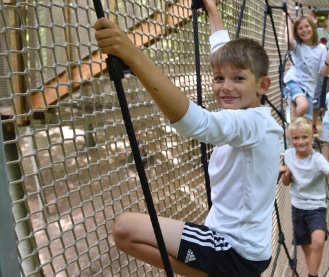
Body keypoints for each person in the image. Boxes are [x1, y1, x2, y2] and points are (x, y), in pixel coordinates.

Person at [94, 0, 283, 276]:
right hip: (244, 245)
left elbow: (198, 123)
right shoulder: (254, 113)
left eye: (238, 79)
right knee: (126, 232)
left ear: (262, 85)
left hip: (234, 250)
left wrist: (134, 56)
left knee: (124, 229)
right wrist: (213, 12)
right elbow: (223, 53)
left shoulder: (251, 123)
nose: (225, 87)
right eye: (218, 78)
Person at [279, 117, 329, 277]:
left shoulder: (317, 158)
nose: (300, 141)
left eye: (304, 137)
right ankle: (312, 273)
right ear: (289, 139)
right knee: (307, 248)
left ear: (311, 137)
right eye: (295, 138)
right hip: (297, 208)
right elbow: (286, 183)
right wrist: (286, 173)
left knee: (317, 241)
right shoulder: (288, 155)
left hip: (316, 208)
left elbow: (328, 169)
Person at [283, 14, 329, 124]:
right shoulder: (297, 45)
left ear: (313, 28)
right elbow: (289, 41)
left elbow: (323, 73)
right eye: (300, 28)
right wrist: (286, 19)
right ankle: (287, 127)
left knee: (307, 124)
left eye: (307, 26)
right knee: (303, 105)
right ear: (296, 32)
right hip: (292, 82)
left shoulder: (321, 48)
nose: (304, 30)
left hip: (309, 88)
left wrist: (328, 59)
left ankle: (290, 136)